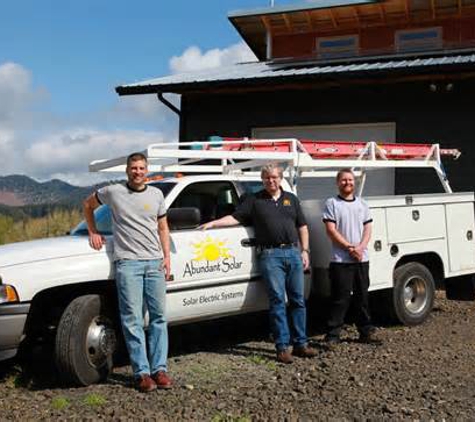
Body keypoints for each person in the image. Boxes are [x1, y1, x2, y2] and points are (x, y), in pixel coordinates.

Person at [200, 164, 317, 363]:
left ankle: (301, 344)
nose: (270, 181)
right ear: (262, 180)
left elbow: (302, 226)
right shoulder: (255, 200)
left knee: (298, 300)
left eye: (274, 177)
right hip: (270, 255)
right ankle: (282, 347)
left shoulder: (292, 199)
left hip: (293, 252)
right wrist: (212, 223)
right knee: (278, 301)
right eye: (266, 178)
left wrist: (305, 250)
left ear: (280, 178)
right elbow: (235, 218)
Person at [83, 152, 172, 393]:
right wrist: (92, 231)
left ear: (147, 170)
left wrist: (166, 257)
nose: (138, 172)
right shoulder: (113, 192)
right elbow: (87, 205)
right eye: (134, 168)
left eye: (142, 168)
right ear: (127, 170)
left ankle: (160, 370)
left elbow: (163, 227)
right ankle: (142, 373)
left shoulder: (156, 194)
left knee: (158, 318)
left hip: (154, 263)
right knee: (132, 319)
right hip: (128, 264)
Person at [322, 168, 380, 345]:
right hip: (341, 260)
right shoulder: (331, 203)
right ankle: (333, 335)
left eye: (350, 180)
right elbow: (331, 231)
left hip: (361, 259)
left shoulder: (362, 204)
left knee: (362, 297)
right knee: (340, 298)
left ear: (354, 183)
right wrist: (349, 248)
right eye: (344, 180)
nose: (348, 183)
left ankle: (365, 332)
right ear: (338, 183)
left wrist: (361, 247)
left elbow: (368, 229)